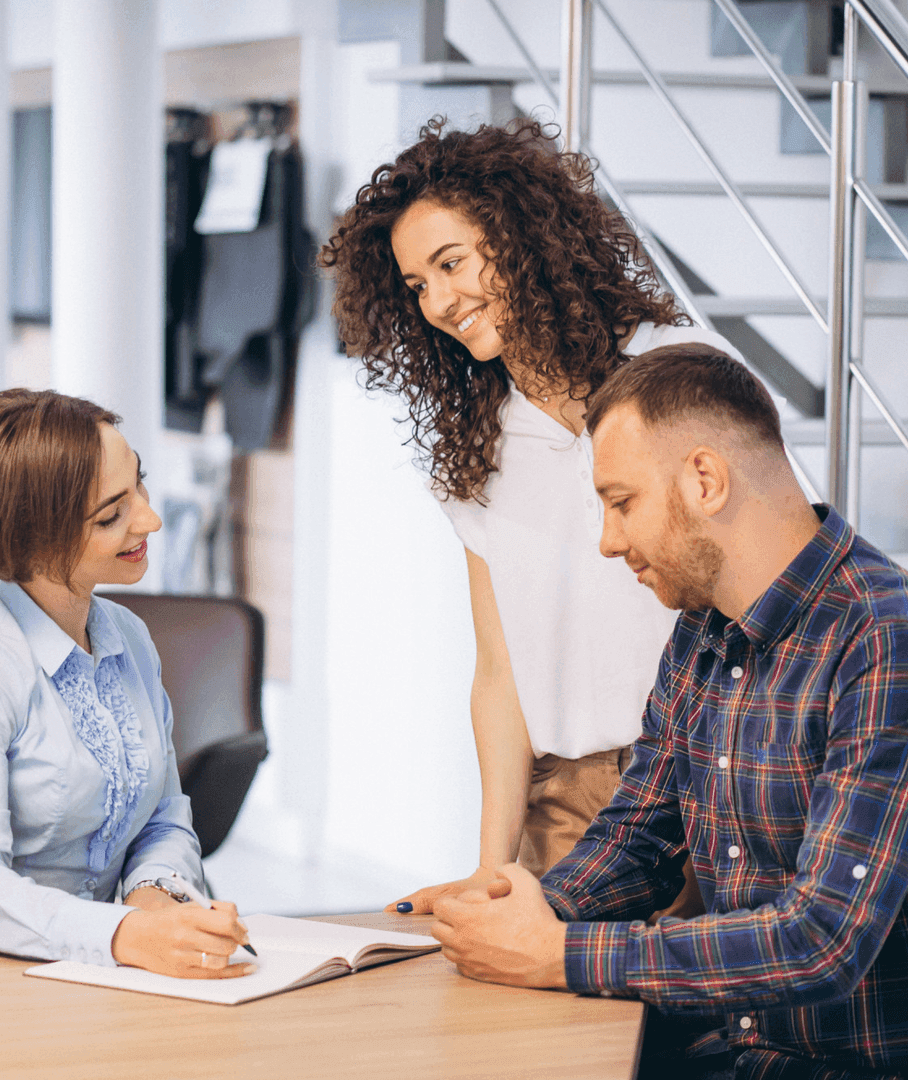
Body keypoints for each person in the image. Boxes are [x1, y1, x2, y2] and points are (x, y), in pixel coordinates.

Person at [432, 343, 908, 1080]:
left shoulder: (883, 640)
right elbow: (639, 838)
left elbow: (824, 940)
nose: (608, 540)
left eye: (621, 503)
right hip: (720, 1055)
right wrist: (514, 908)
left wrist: (559, 952)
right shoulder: (703, 633)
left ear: (706, 479)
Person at [321, 117, 739, 913]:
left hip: (708, 782)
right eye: (417, 286)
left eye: (452, 263)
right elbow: (499, 672)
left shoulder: (674, 369)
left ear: (518, 240)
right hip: (566, 809)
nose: (440, 301)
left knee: (699, 1035)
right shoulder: (475, 451)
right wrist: (494, 863)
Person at [0, 389, 255, 980]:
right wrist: (125, 935)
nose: (150, 519)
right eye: (111, 514)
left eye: (140, 484)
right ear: (29, 535)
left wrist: (158, 906)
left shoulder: (128, 637)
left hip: (82, 974)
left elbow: (164, 818)